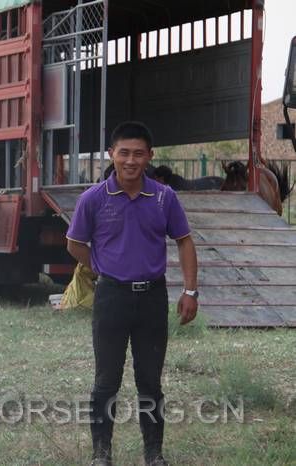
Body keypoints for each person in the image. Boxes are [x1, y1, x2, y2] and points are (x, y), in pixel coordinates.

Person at [65, 121, 198, 466]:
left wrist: (190, 291)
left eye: (139, 153)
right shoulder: (93, 199)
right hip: (111, 299)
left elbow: (184, 241)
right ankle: (101, 455)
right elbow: (74, 243)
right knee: (106, 380)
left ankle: (154, 455)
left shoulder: (164, 198)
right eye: (123, 152)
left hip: (152, 299)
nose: (130, 160)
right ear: (111, 154)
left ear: (150, 157)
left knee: (150, 382)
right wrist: (101, 267)